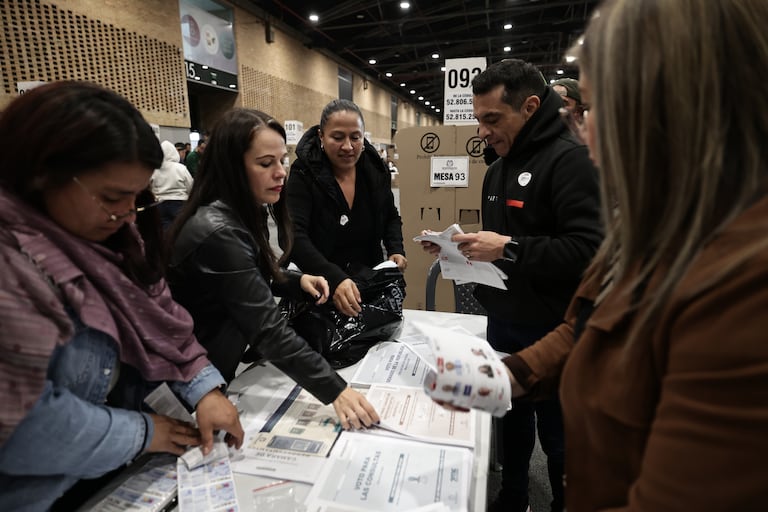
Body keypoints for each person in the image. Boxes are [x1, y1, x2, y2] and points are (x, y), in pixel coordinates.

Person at [446, 0, 768, 510]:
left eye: (597, 110)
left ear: (679, 108)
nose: (586, 133)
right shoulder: (667, 227)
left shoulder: (742, 286)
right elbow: (593, 321)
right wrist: (506, 379)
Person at [0, 81, 243, 511]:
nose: (128, 215)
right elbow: (23, 424)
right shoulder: (14, 265)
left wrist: (204, 389)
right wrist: (144, 432)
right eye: (113, 198)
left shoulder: (113, 238)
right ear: (40, 173)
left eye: (137, 197)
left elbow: (160, 315)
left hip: (96, 468)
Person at [422, 59, 602, 512]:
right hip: (503, 322)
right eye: (479, 120)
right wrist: (460, 248)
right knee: (510, 422)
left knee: (560, 434)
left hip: (555, 330)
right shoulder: (497, 167)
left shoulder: (572, 160)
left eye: (492, 119)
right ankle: (515, 494)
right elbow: (500, 245)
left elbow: (589, 250)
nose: (482, 131)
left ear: (531, 107)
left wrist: (510, 248)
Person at [166, 108, 380, 430]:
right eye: (266, 163)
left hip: (212, 372)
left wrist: (296, 281)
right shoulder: (219, 230)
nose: (280, 172)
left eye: (282, 160)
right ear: (231, 168)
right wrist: (336, 390)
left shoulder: (245, 213)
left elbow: (252, 276)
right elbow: (266, 328)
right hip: (187, 385)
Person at [284, 99, 406, 318]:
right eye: (337, 137)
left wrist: (396, 248)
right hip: (320, 288)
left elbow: (390, 216)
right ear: (321, 136)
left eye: (355, 137)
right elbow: (294, 237)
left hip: (368, 283)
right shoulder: (303, 174)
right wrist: (335, 278)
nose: (348, 146)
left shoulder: (374, 170)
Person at [151, 140, 194, 229]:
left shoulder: (154, 169)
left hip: (159, 203)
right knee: (180, 229)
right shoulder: (181, 168)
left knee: (163, 230)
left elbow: (149, 186)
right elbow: (190, 185)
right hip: (179, 202)